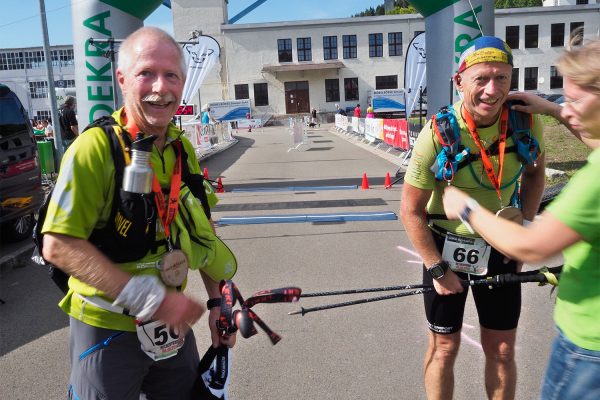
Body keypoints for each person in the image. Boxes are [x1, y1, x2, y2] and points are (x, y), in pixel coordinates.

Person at [41, 27, 236, 400]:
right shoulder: (94, 149)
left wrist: (216, 302)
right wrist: (148, 298)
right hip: (107, 329)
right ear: (122, 79)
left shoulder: (182, 149)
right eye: (146, 72)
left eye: (171, 75)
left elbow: (202, 234)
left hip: (171, 327)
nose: (160, 88)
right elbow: (58, 245)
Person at [443, 37, 600, 400]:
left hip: (587, 347)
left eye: (575, 101)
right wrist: (553, 109)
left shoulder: (593, 182)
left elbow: (529, 245)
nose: (568, 110)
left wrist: (465, 207)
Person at [399, 36, 546, 400]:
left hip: (501, 246)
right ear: (459, 81)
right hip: (445, 250)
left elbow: (534, 173)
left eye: (502, 78)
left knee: (501, 351)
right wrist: (436, 269)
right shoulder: (437, 133)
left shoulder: (525, 122)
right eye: (481, 79)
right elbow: (411, 211)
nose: (492, 90)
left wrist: (523, 228)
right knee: (444, 349)